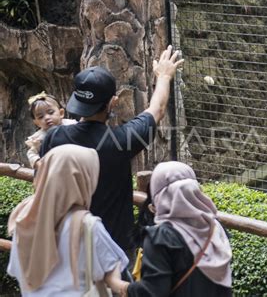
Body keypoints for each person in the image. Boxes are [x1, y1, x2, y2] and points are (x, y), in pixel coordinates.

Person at [39, 46, 184, 258]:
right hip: (113, 249)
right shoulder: (121, 141)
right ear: (113, 102)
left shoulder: (53, 137)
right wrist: (163, 75)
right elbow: (157, 109)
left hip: (65, 245)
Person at [7, 144, 128, 296]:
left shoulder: (24, 216)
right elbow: (110, 268)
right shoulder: (88, 226)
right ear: (83, 178)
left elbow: (17, 270)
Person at [107, 161, 233, 297]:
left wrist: (118, 284)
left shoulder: (162, 237)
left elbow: (151, 292)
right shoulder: (216, 229)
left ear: (158, 199)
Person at [25, 91, 77, 169]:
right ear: (36, 123)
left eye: (51, 112)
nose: (47, 118)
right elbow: (31, 153)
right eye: (40, 117)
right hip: (53, 168)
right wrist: (38, 163)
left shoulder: (72, 125)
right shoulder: (38, 138)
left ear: (61, 113)